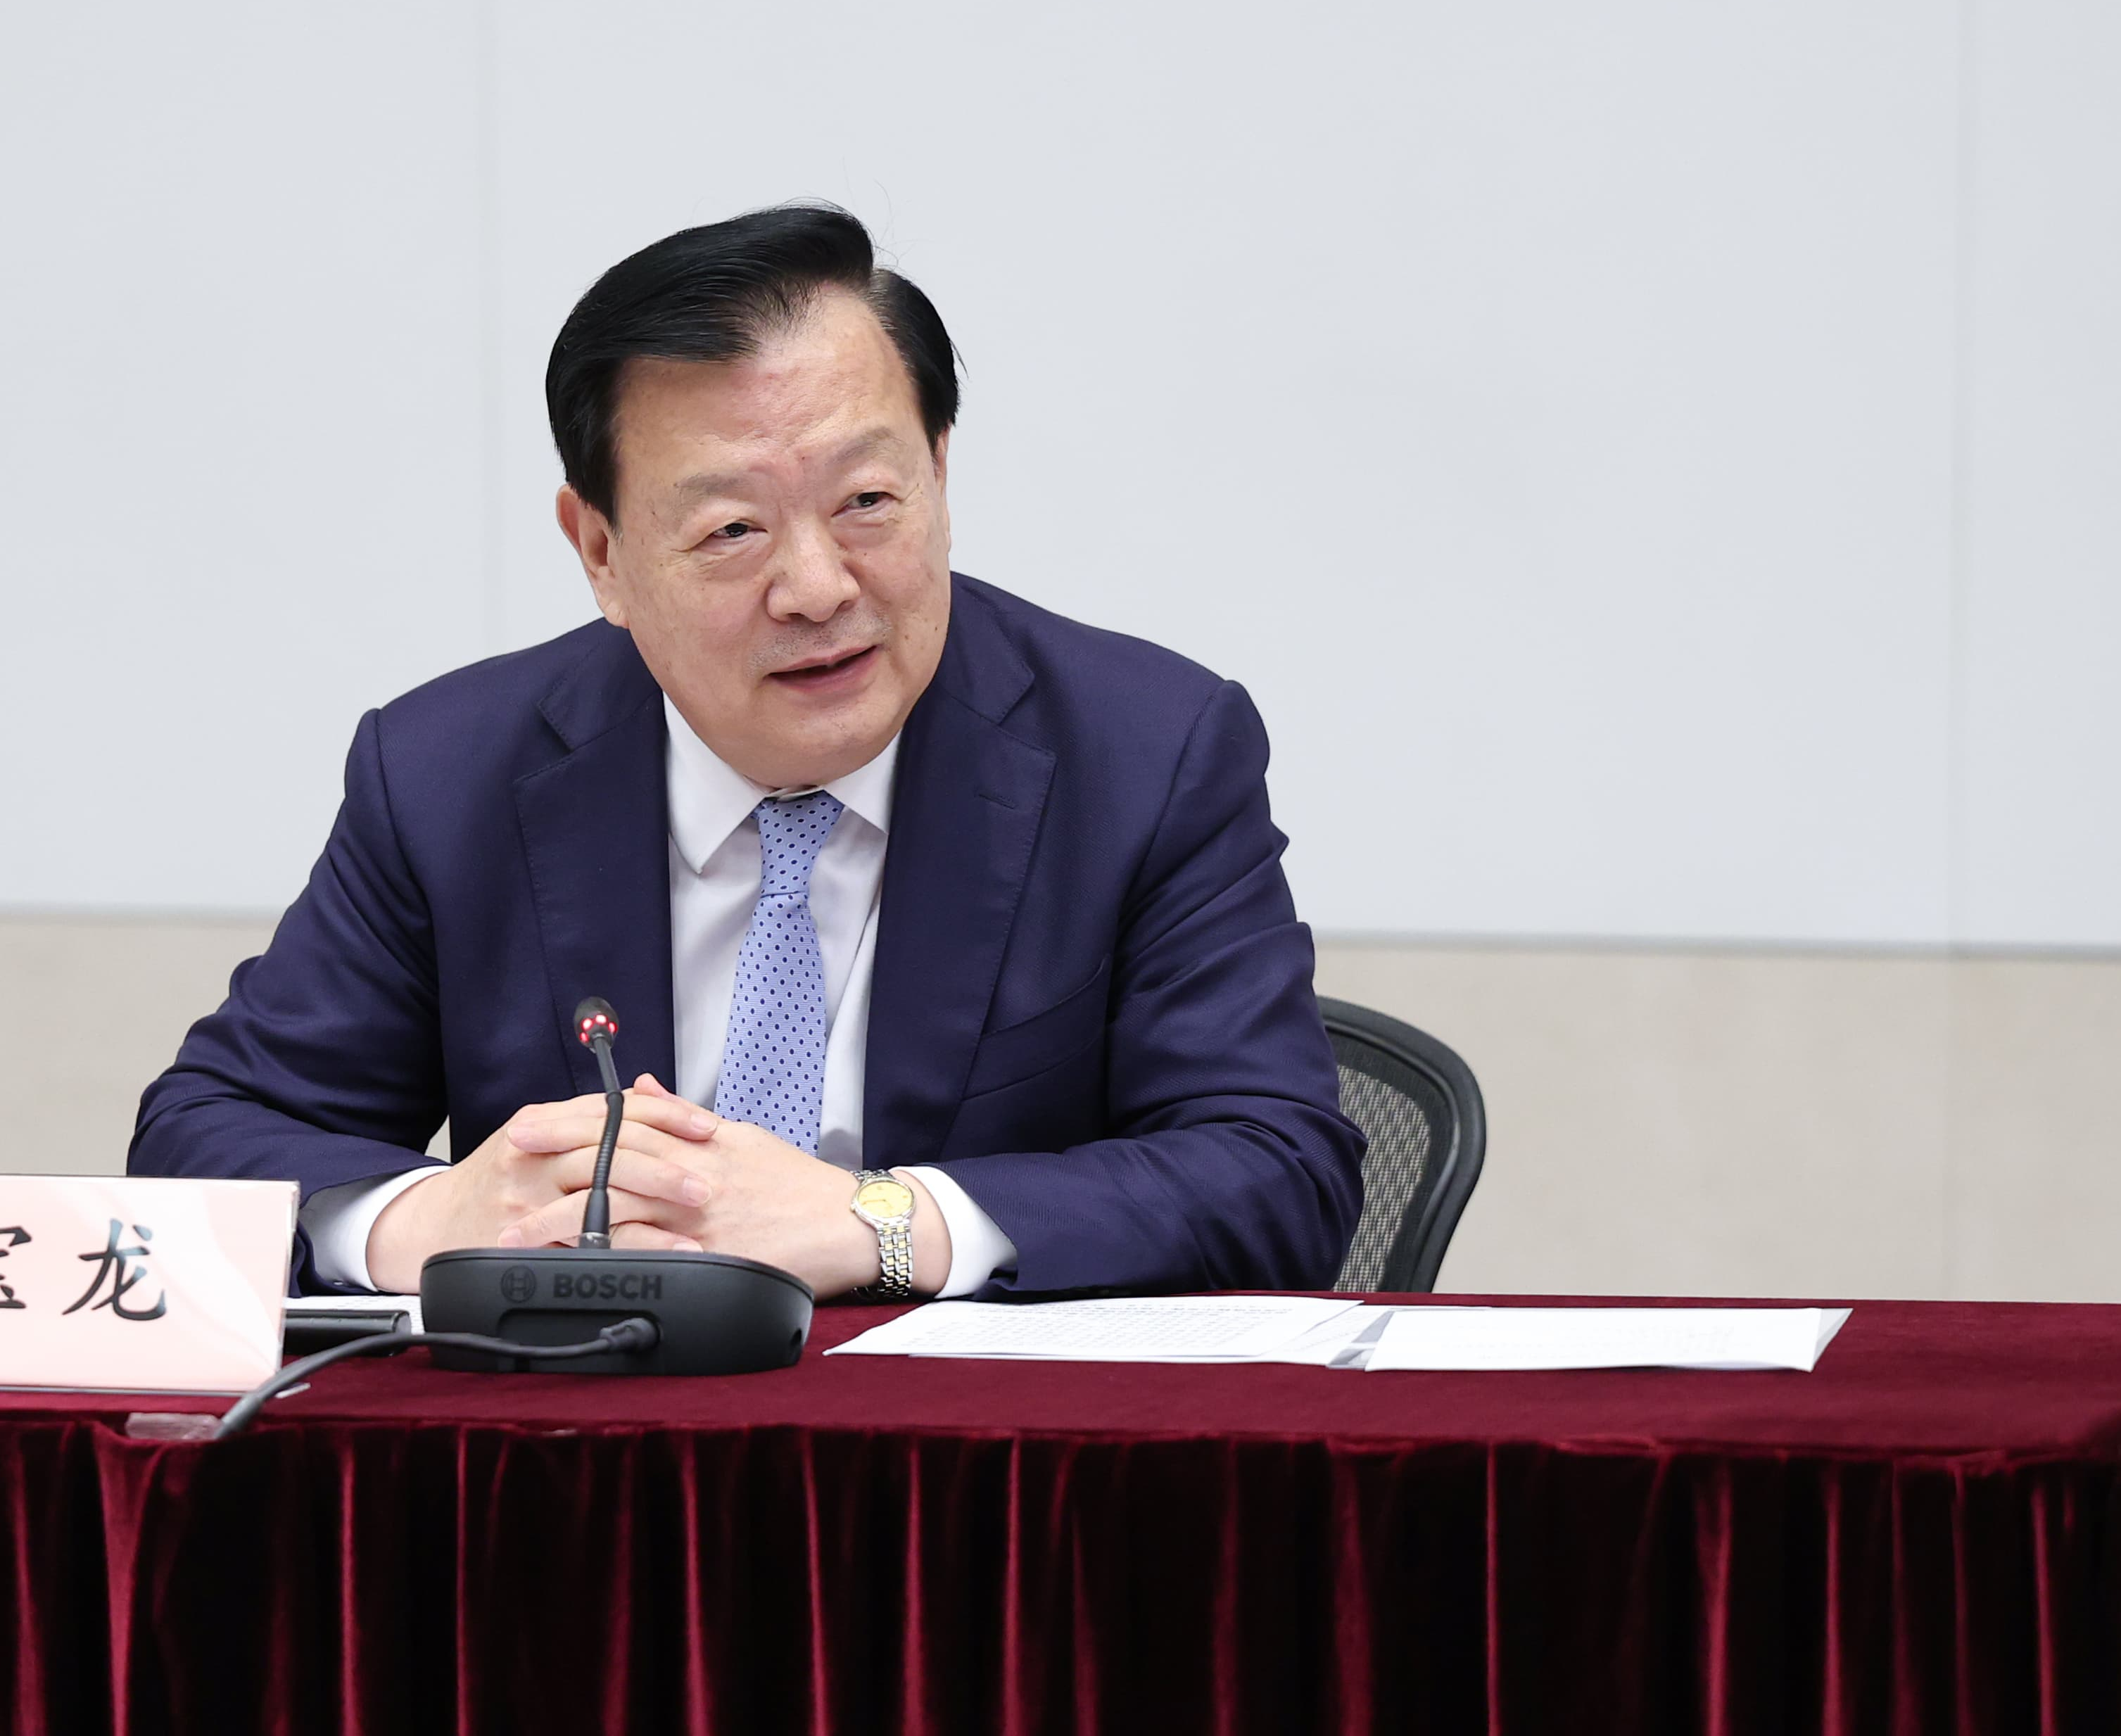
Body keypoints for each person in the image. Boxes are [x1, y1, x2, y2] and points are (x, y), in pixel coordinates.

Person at [131, 205, 1362, 1300]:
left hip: (973, 1460)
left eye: (867, 501)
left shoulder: (1145, 753)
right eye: (731, 528)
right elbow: (210, 1132)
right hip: (584, 1449)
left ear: (939, 472)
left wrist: (882, 1222)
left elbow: (1276, 1168)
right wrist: (431, 1219)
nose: (817, 587)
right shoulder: (449, 773)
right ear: (601, 552)